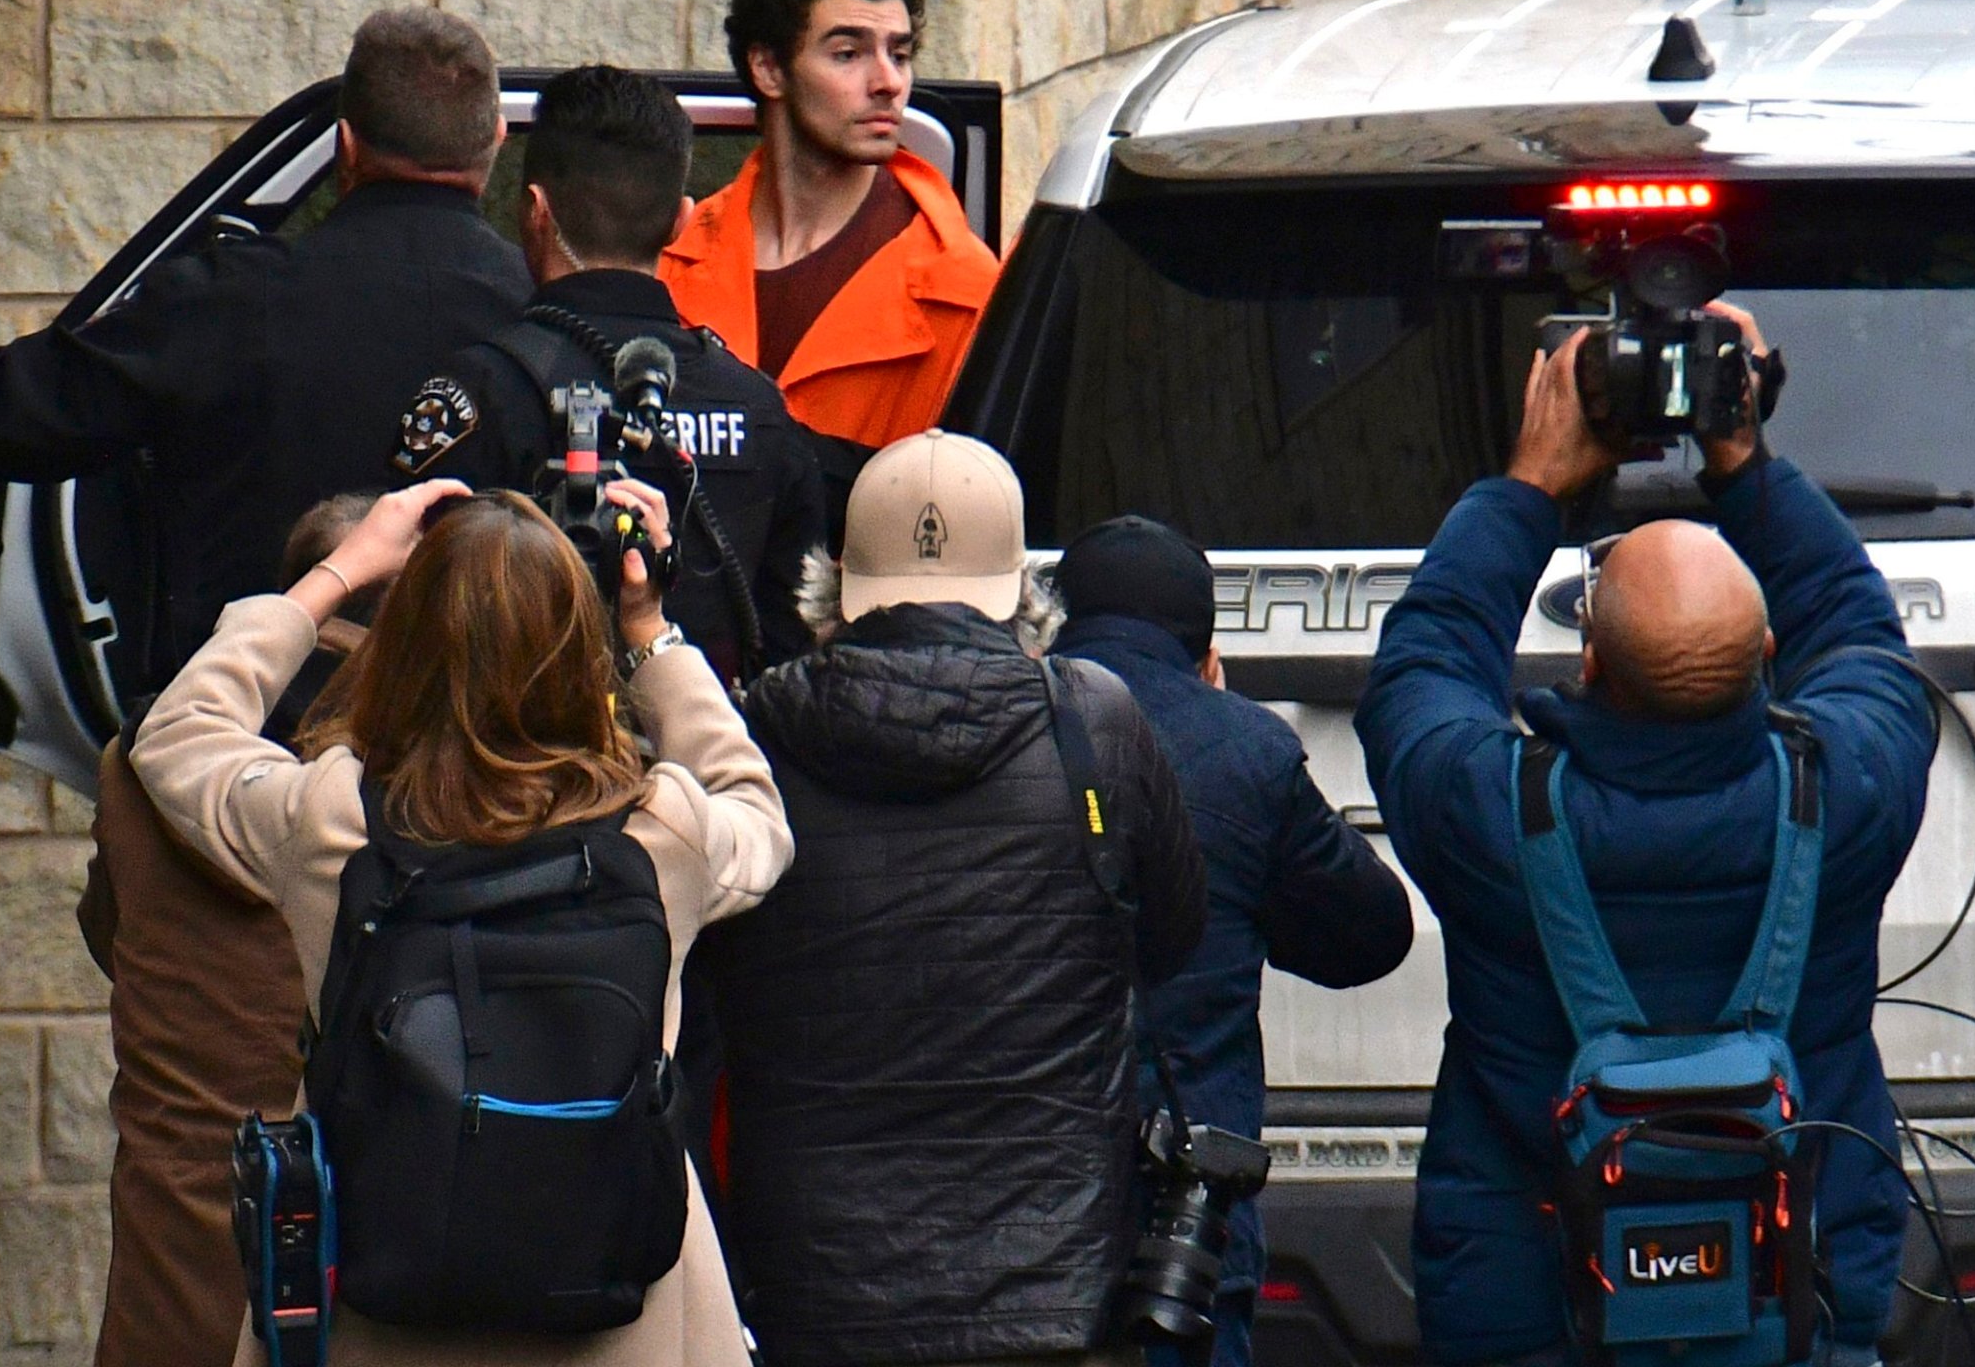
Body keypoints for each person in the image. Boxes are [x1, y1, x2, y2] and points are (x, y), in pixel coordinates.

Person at [1354, 307, 1935, 1367]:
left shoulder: (1485, 813)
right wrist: (1742, 458)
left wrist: (1528, 486)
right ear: (1767, 651)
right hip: (1796, 1296)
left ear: (1585, 667)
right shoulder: (1849, 788)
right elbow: (1859, 629)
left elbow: (1423, 665)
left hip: (1530, 1306)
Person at [130, 475, 793, 1367]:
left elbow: (176, 736)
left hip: (380, 1311)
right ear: (576, 651)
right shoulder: (663, 832)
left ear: (402, 646)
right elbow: (757, 809)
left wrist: (337, 573)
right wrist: (649, 632)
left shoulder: (332, 824)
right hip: (620, 1322)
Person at [0, 6, 530, 697]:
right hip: (478, 761)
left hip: (250, 746)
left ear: (346, 144)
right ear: (496, 139)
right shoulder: (544, 318)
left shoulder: (231, 299)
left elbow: (27, 406)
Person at [698, 429, 1208, 1367]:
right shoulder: (1091, 717)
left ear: (836, 584)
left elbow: (704, 972)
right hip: (1057, 1290)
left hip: (816, 1289)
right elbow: (1173, 936)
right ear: (1022, 590)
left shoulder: (750, 734)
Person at [1051, 514, 1415, 1367]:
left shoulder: (1009, 727)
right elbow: (1371, 935)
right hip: (1184, 1231)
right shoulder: (1247, 749)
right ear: (1207, 654)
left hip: (1024, 1217)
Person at [74, 495, 383, 1367]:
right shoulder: (399, 797)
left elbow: (112, 938)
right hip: (345, 1262)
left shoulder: (141, 764)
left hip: (173, 1252)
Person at [395, 64, 822, 684]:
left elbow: (411, 619)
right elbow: (795, 645)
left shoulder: (481, 393)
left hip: (517, 771)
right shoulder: (758, 407)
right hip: (713, 767)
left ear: (534, 210)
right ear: (680, 221)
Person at [661, 0, 1000, 540]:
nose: (888, 82)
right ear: (768, 68)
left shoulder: (966, 290)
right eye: (848, 53)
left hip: (872, 622)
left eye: (899, 53)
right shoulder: (675, 259)